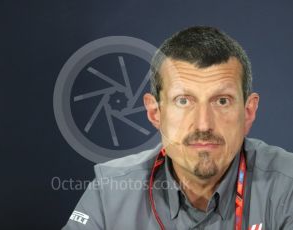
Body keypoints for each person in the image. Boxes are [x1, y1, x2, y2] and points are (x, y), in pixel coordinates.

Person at [63, 26, 293, 230]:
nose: (204, 124)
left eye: (222, 101)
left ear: (248, 112)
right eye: (183, 101)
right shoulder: (111, 190)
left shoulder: (287, 185)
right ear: (155, 112)